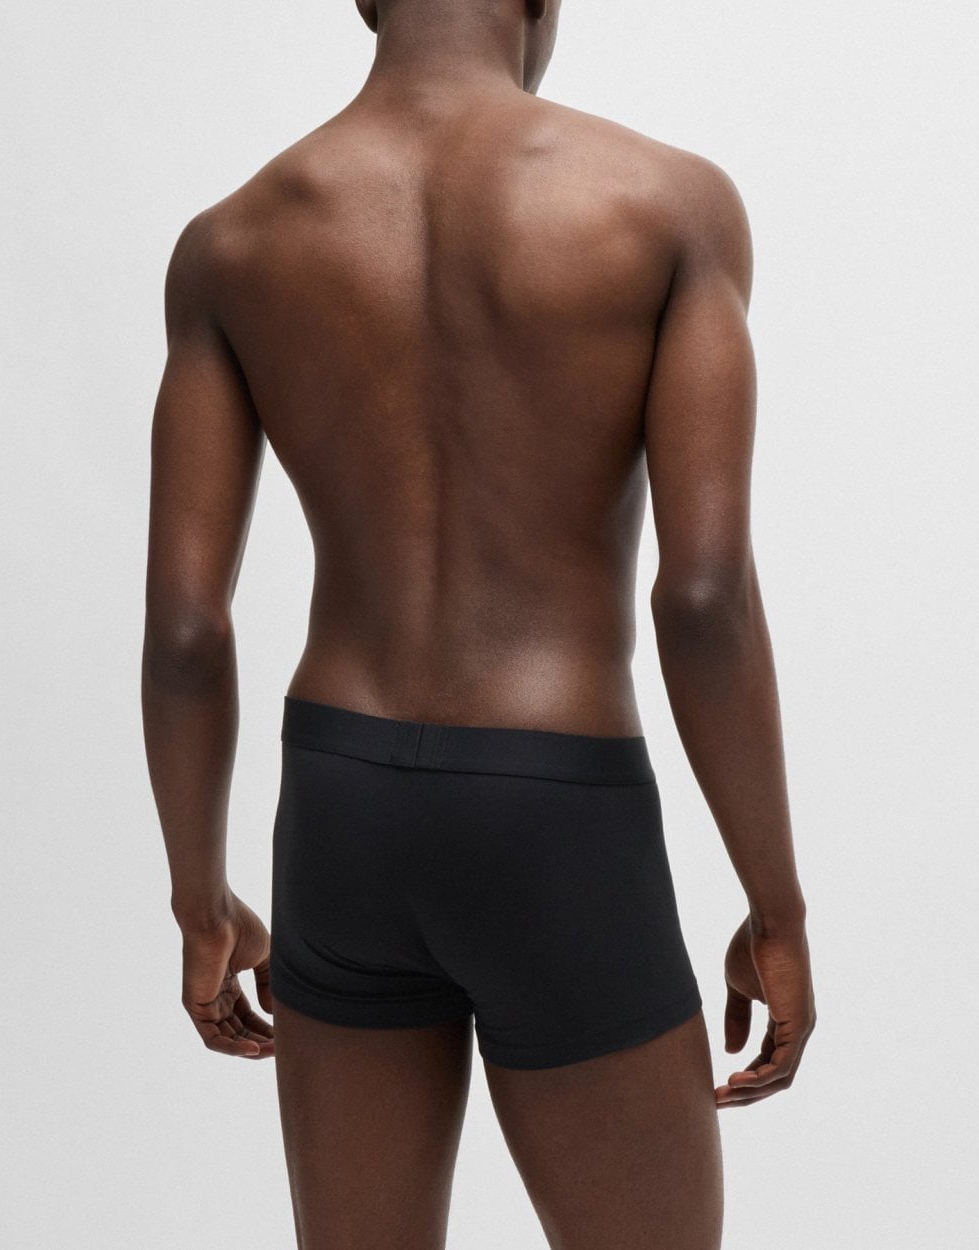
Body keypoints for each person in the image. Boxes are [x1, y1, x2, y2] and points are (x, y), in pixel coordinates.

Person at [141, 0, 815, 1245]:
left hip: (338, 803)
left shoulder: (231, 242)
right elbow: (703, 595)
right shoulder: (667, 207)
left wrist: (200, 900)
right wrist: (777, 907)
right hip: (555, 813)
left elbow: (186, 626)